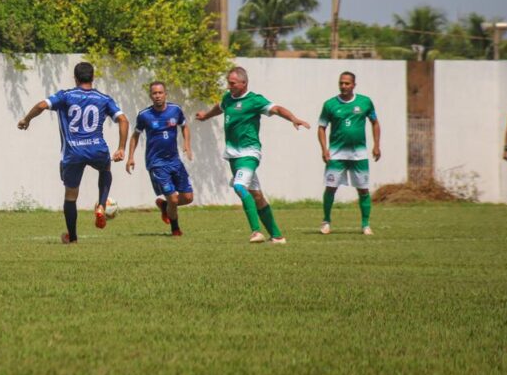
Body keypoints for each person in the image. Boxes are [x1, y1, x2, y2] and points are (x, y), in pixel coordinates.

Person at [195, 66, 309, 244]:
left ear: (244, 83)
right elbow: (220, 107)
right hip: (233, 155)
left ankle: (256, 232)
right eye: (228, 83)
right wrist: (206, 116)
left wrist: (293, 118)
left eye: (232, 83)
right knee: (257, 196)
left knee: (240, 187)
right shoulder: (228, 98)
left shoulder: (254, 100)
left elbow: (276, 109)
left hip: (249, 152)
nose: (229, 86)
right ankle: (277, 236)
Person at [17, 61, 128, 244]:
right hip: (97, 148)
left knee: (71, 195)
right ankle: (101, 205)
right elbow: (123, 120)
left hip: (73, 152)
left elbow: (41, 105)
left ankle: (73, 238)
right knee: (105, 168)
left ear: (75, 78)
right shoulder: (104, 98)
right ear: (93, 78)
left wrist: (26, 119)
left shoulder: (65, 96)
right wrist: (121, 148)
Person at [317, 71, 381, 236]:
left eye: (347, 83)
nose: (343, 86)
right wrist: (324, 149)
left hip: (359, 155)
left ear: (354, 85)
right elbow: (321, 127)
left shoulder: (365, 102)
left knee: (363, 189)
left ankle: (365, 225)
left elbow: (375, 123)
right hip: (336, 155)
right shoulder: (330, 104)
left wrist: (376, 145)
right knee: (331, 187)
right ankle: (326, 221)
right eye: (341, 83)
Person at [127, 81, 193, 236]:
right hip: (156, 164)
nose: (157, 96)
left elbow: (184, 126)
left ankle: (164, 206)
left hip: (175, 161)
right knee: (174, 199)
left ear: (165, 94)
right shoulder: (144, 115)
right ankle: (175, 229)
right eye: (154, 93)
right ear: (151, 95)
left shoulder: (175, 110)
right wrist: (130, 157)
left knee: (188, 198)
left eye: (160, 93)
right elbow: (135, 135)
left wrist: (187, 145)